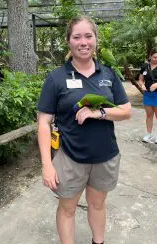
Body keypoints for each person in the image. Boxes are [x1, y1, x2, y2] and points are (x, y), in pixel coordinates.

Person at [37, 16, 131, 244]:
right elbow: (43, 123)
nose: (83, 42)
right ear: (68, 42)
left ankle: (98, 242)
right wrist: (47, 165)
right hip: (70, 157)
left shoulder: (108, 74)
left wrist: (98, 113)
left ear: (96, 39)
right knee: (67, 208)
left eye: (88, 36)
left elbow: (126, 110)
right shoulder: (56, 78)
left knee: (97, 204)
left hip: (105, 155)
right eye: (76, 37)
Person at [138, 48, 157, 144]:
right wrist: (142, 85)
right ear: (150, 56)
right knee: (149, 115)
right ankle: (148, 133)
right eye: (155, 57)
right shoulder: (145, 66)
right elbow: (140, 80)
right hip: (148, 94)